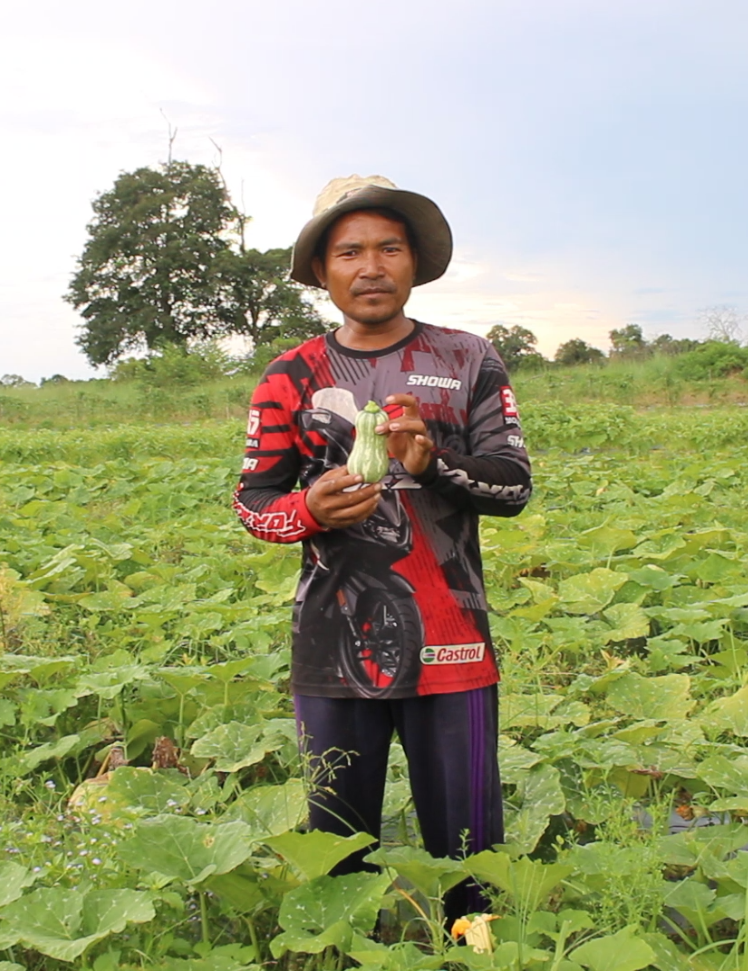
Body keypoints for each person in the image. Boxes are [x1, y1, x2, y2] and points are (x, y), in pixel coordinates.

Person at [233, 175, 532, 921]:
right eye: (351, 251)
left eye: (389, 247)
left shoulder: (467, 359)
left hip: (454, 644)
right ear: (323, 272)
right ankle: (341, 946)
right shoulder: (290, 375)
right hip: (332, 647)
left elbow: (515, 484)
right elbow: (253, 500)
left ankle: (475, 945)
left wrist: (434, 463)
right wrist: (308, 508)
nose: (371, 266)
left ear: (413, 261)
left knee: (471, 858)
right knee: (337, 852)